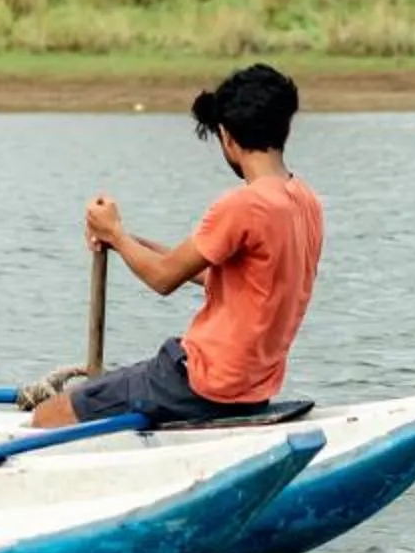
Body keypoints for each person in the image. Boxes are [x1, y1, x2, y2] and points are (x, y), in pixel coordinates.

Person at [20, 63, 323, 430]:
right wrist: (121, 238)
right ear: (284, 128)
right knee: (112, 385)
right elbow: (226, 276)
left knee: (49, 414)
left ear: (227, 137)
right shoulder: (304, 201)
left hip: (203, 381)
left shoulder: (244, 205)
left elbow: (163, 279)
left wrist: (115, 234)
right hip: (252, 386)